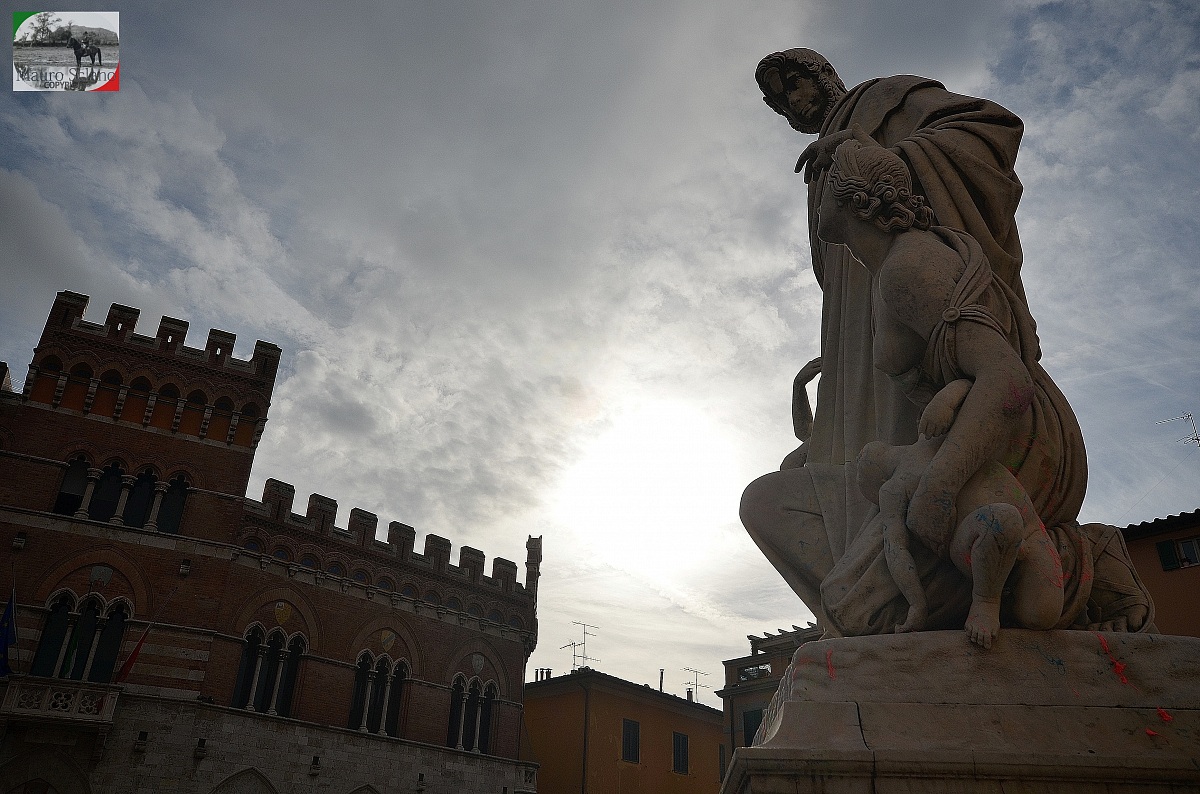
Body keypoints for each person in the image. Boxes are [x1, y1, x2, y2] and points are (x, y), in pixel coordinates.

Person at [741, 49, 1151, 635]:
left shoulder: (888, 100)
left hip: (958, 404)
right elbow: (846, 300)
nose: (793, 105)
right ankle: (905, 589)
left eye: (797, 87)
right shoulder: (829, 193)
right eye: (779, 101)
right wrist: (835, 374)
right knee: (785, 497)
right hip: (874, 371)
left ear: (825, 75)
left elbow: (993, 130)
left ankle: (1077, 564)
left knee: (867, 602)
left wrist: (891, 158)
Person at [856, 379, 1065, 649]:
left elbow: (975, 388)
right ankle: (986, 601)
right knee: (1001, 520)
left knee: (1042, 616)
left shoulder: (929, 433)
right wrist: (918, 605)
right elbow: (896, 550)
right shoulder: (893, 489)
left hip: (1030, 530)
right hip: (978, 538)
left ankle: (1005, 586)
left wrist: (945, 400)